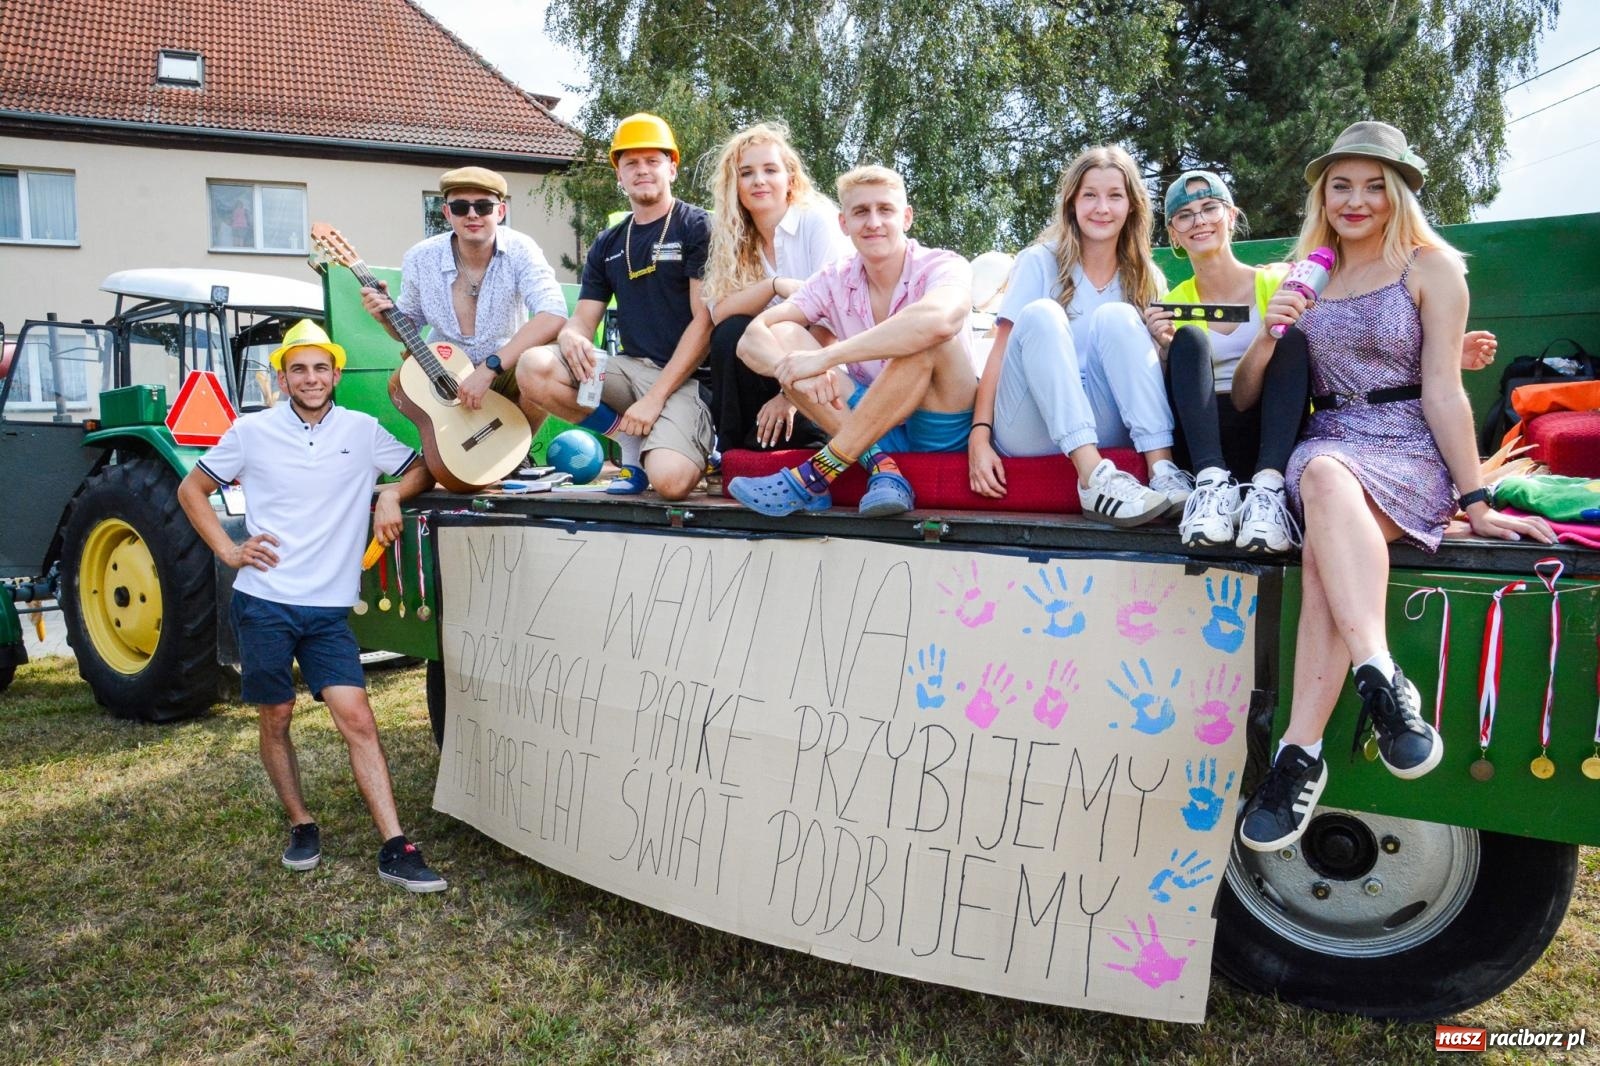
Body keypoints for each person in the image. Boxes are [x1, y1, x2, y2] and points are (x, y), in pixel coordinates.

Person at [1236, 121, 1554, 853]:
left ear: (1400, 191)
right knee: (1320, 477)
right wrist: (1268, 332)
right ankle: (1382, 683)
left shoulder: (1430, 268)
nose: (1357, 200)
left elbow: (1443, 391)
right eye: (1341, 185)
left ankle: (1300, 753)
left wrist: (1475, 498)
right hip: (1326, 444)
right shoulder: (1304, 276)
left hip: (1407, 446)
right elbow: (1253, 397)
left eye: (1374, 185)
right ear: (1323, 194)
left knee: (1324, 540)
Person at [176, 320, 447, 891]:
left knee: (358, 719)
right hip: (265, 602)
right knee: (276, 716)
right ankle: (301, 823)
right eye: (298, 368)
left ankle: (395, 845)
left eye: (320, 367)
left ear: (336, 373)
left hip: (327, 610)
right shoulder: (251, 432)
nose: (311, 378)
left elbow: (424, 468)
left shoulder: (363, 429)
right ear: (282, 377)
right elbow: (190, 490)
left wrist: (392, 493)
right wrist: (227, 549)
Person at [1151, 170, 1504, 552]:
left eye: (1210, 208)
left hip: (1274, 429)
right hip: (1208, 435)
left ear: (1232, 215)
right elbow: (1179, 384)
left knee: (1290, 339)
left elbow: (1342, 336)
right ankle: (1209, 484)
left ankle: (1267, 488)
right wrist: (1162, 350)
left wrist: (1442, 349)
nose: (1199, 221)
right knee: (1189, 341)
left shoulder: (1285, 280)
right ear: (1172, 232)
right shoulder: (1171, 303)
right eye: (1185, 215)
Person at [726, 164, 976, 518]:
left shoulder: (944, 265)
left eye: (885, 210)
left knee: (928, 339)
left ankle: (815, 474)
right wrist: (799, 373)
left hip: (938, 423)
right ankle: (880, 465)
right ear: (844, 224)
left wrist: (827, 359)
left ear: (906, 218)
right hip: (871, 419)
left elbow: (938, 321)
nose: (873, 222)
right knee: (784, 336)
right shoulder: (835, 277)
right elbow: (751, 339)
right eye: (860, 212)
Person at [967, 145, 1188, 527]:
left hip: (1102, 416)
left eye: (1114, 196)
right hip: (1030, 421)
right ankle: (1093, 477)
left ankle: (1163, 472)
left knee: (1119, 317)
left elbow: (1143, 373)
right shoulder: (1039, 261)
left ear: (1132, 206)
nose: (1102, 208)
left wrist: (1163, 346)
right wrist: (978, 437)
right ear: (1072, 203)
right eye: (1090, 195)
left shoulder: (1147, 275)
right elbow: (1000, 353)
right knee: (1042, 314)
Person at [516, 113, 714, 500]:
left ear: (672, 168)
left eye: (652, 161)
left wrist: (656, 398)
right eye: (631, 163)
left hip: (686, 378)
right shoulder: (608, 243)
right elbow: (582, 319)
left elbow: (704, 324)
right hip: (627, 371)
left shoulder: (697, 226)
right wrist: (573, 337)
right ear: (618, 175)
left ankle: (702, 447)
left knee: (670, 483)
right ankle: (627, 438)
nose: (642, 171)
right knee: (533, 366)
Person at [360, 165, 567, 433]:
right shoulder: (420, 257)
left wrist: (489, 368)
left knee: (547, 356)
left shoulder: (521, 248)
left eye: (483, 206)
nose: (472, 215)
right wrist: (386, 318)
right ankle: (445, 445)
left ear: (500, 211)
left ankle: (517, 450)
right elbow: (408, 328)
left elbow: (554, 314)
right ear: (446, 212)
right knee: (401, 381)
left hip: (506, 368)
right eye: (460, 207)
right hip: (446, 374)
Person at [702, 122, 853, 452]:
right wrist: (773, 285)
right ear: (734, 184)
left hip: (824, 368)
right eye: (746, 173)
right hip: (768, 365)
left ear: (790, 179)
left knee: (778, 329)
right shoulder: (733, 237)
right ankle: (732, 453)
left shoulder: (817, 221)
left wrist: (789, 396)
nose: (759, 180)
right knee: (730, 332)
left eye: (770, 169)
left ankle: (816, 435)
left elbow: (833, 322)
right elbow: (718, 313)